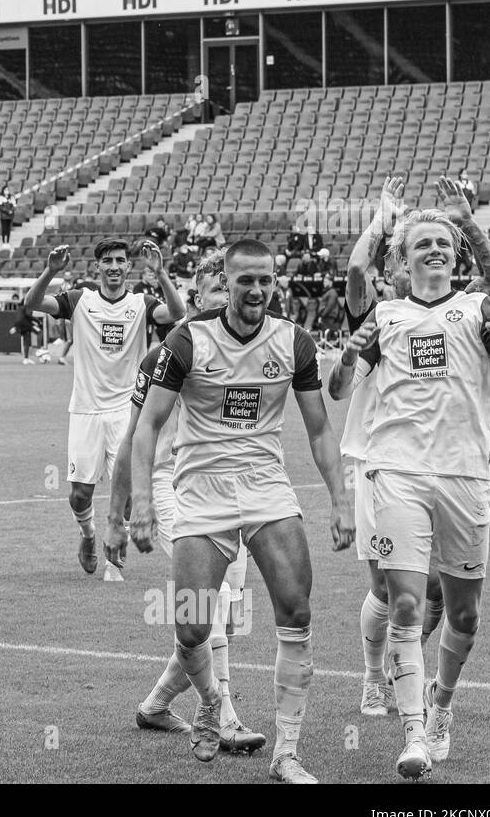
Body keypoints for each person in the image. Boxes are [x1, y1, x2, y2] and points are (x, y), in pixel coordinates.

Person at [130, 238, 354, 784]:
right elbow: (147, 426)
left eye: (265, 281)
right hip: (201, 493)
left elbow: (320, 429)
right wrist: (139, 502)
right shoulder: (189, 339)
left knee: (296, 613)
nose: (255, 290)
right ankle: (210, 702)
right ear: (225, 283)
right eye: (244, 281)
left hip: (266, 489)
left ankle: (287, 753)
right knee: (190, 626)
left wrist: (340, 499)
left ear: (275, 283)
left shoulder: (294, 342)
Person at [328, 204, 490, 781]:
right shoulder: (386, 315)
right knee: (407, 603)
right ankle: (414, 732)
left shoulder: (479, 307)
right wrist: (347, 357)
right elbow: (340, 389)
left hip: (464, 474)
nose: (435, 251)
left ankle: (442, 705)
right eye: (423, 244)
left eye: (443, 243)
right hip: (396, 472)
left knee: (464, 614)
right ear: (403, 257)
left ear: (456, 254)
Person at [106, 250, 266, 754]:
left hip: (232, 490)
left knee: (220, 617)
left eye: (232, 285)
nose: (230, 295)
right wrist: (118, 517)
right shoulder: (167, 355)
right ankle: (227, 718)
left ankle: (155, 706)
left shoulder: (251, 351)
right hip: (175, 487)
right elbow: (134, 438)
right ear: (197, 298)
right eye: (218, 288)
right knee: (207, 607)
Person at [24, 239, 184, 574]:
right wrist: (51, 271)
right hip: (85, 409)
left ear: (128, 267)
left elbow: (178, 313)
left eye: (120, 261)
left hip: (126, 410)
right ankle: (88, 533)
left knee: (124, 495)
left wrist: (161, 272)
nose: (114, 266)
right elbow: (32, 303)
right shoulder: (80, 299)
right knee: (80, 494)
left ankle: (114, 556)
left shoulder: (142, 303)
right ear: (98, 267)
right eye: (107, 261)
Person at [10, 292, 41, 363]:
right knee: (39, 332)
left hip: (21, 324)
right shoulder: (28, 305)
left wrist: (15, 326)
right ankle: (39, 349)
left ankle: (26, 359)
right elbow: (28, 315)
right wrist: (37, 321)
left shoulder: (20, 307)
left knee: (26, 341)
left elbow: (18, 317)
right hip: (26, 324)